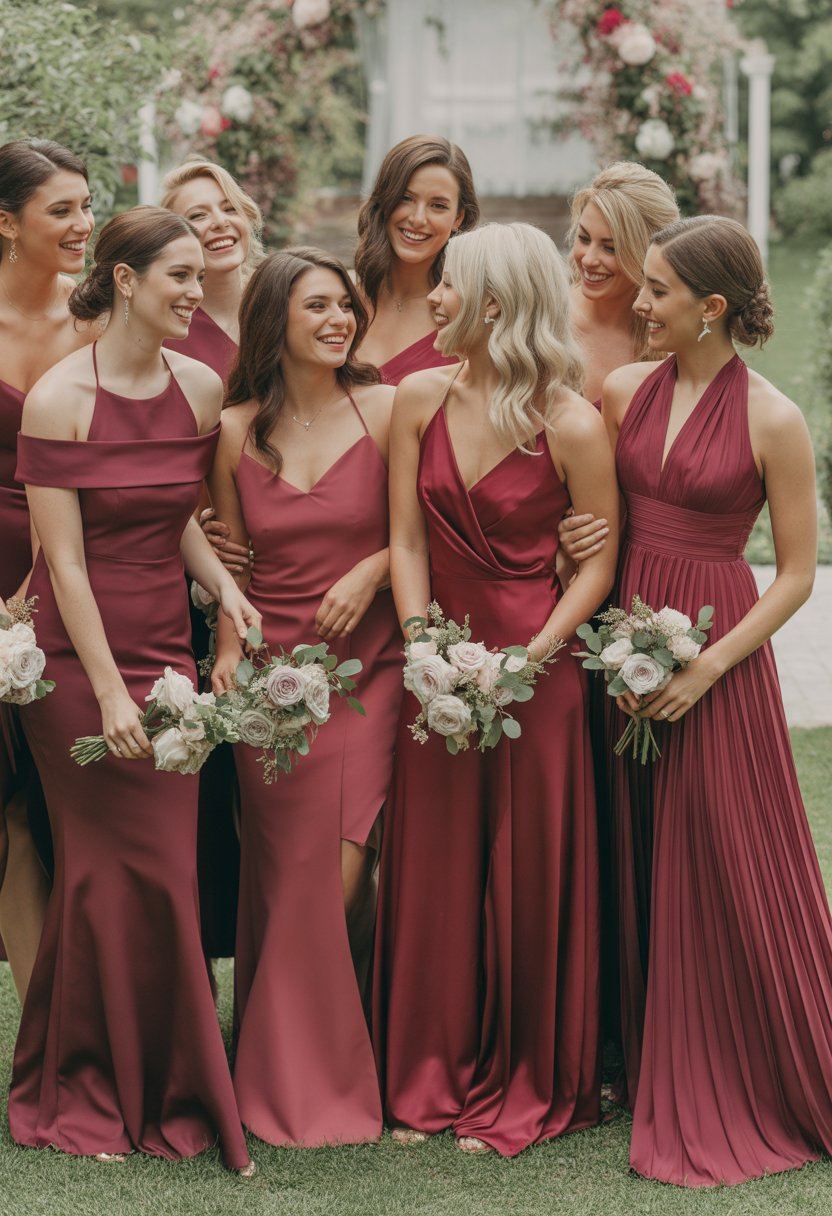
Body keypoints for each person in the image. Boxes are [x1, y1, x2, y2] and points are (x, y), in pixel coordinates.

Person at [10, 206, 259, 1172]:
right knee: (98, 870)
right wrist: (111, 693)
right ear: (124, 279)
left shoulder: (199, 385)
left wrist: (228, 589)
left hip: (170, 651)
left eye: (200, 277)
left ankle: (176, 1083)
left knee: (166, 867)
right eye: (180, 277)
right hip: (79, 663)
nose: (197, 294)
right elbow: (61, 565)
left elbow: (176, 518)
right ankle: (81, 1087)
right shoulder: (59, 398)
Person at [373, 222, 619, 1155]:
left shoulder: (573, 422)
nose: (428, 299)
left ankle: (524, 1081)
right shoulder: (416, 398)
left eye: (447, 286)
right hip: (435, 666)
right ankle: (427, 1074)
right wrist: (424, 642)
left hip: (536, 677)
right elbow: (404, 537)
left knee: (527, 872)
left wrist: (533, 658)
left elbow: (597, 565)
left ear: (493, 304)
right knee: (434, 868)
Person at [601, 215, 832, 1185]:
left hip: (716, 648)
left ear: (709, 309)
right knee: (625, 837)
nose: (635, 303)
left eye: (653, 290)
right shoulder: (619, 390)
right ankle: (622, 1049)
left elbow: (793, 572)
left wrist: (705, 667)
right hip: (618, 640)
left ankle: (737, 1057)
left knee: (717, 854)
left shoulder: (772, 418)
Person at [209, 247, 400, 1146]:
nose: (339, 320)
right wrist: (227, 658)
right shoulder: (234, 427)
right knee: (284, 874)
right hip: (270, 681)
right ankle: (272, 1070)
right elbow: (232, 569)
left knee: (341, 867)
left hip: (372, 671)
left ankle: (329, 1069)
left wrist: (373, 568)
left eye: (347, 307)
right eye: (318, 305)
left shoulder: (393, 407)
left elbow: (426, 534)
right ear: (274, 317)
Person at [0, 137, 96, 1002]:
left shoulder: (97, 316)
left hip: (73, 567)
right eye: (60, 210)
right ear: (5, 222)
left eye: (85, 206)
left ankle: (91, 1015)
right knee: (7, 814)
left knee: (67, 800)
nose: (82, 225)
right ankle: (38, 1027)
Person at [162, 157, 263, 967]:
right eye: (197, 216)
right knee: (213, 769)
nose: (218, 223)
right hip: (193, 559)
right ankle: (206, 957)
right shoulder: (167, 318)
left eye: (225, 207)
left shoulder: (285, 300)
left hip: (290, 549)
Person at [354, 134, 479, 384]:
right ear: (384, 201)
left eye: (438, 206)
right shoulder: (344, 300)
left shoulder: (469, 318)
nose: (418, 218)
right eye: (406, 198)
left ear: (459, 218)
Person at [162, 155, 262, 384]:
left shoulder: (280, 305)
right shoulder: (163, 331)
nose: (219, 222)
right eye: (198, 215)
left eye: (230, 209)